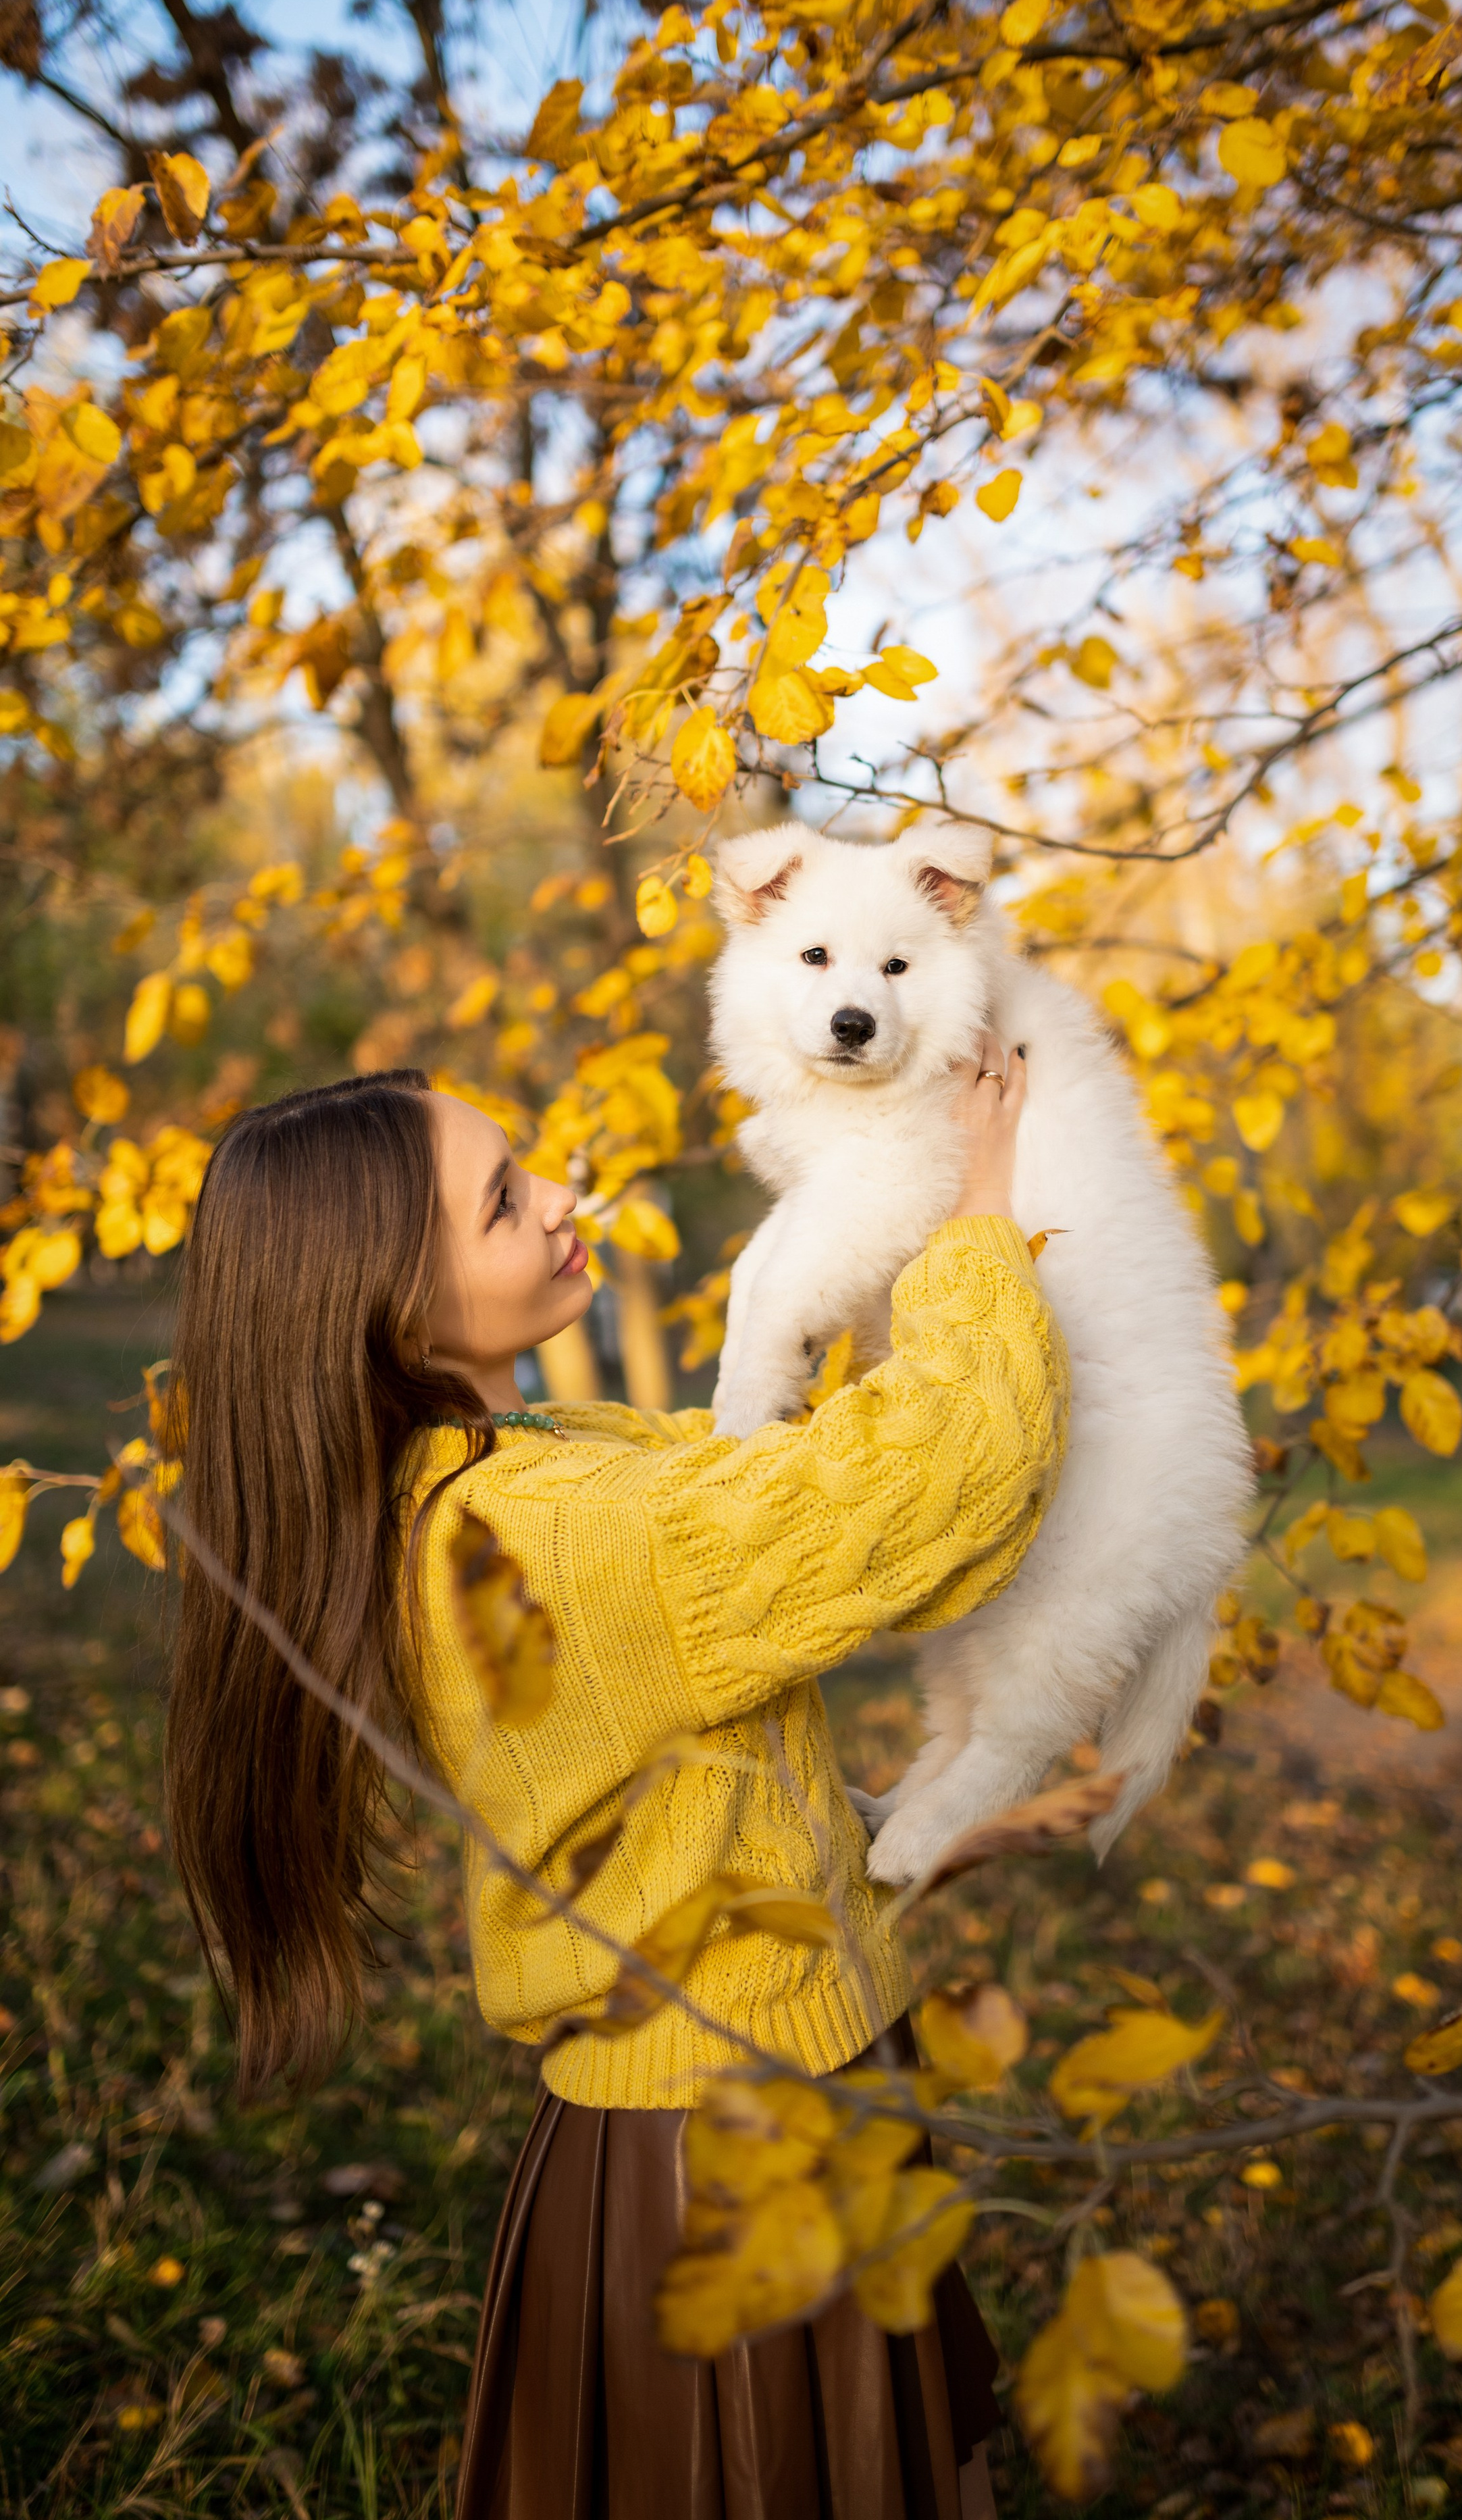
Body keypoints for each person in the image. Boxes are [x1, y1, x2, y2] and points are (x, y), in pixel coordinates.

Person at [165, 1041, 1066, 2520]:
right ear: (392, 1295)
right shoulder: (556, 1535)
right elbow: (939, 1479)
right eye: (507, 1201)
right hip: (728, 2144)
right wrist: (977, 1206)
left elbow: (796, 1501)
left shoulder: (516, 1470)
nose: (567, 1195)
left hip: (711, 2111)